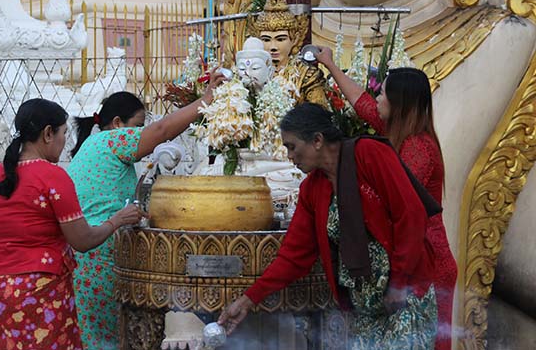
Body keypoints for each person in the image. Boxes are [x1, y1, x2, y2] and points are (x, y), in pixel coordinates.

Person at [219, 102, 438, 349]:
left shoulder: (369, 154)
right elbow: (293, 256)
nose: (290, 156)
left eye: (292, 147)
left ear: (317, 140)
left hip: (404, 296)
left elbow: (410, 215)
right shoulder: (312, 189)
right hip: (365, 309)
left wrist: (399, 284)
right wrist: (248, 300)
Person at [67, 70, 226, 350]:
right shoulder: (110, 141)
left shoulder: (93, 147)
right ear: (117, 124)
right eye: (138, 127)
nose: (141, 133)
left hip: (88, 257)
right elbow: (161, 131)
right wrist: (206, 100)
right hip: (100, 258)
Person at [316, 47, 457, 349]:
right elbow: (361, 103)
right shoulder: (396, 131)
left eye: (383, 95)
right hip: (411, 258)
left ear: (399, 104)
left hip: (428, 264)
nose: (377, 99)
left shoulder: (418, 148)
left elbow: (401, 207)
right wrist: (329, 64)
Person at [0, 98, 143, 350]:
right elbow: (83, 241)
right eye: (64, 133)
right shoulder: (53, 177)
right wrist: (117, 219)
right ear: (47, 134)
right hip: (42, 291)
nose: (65, 143)